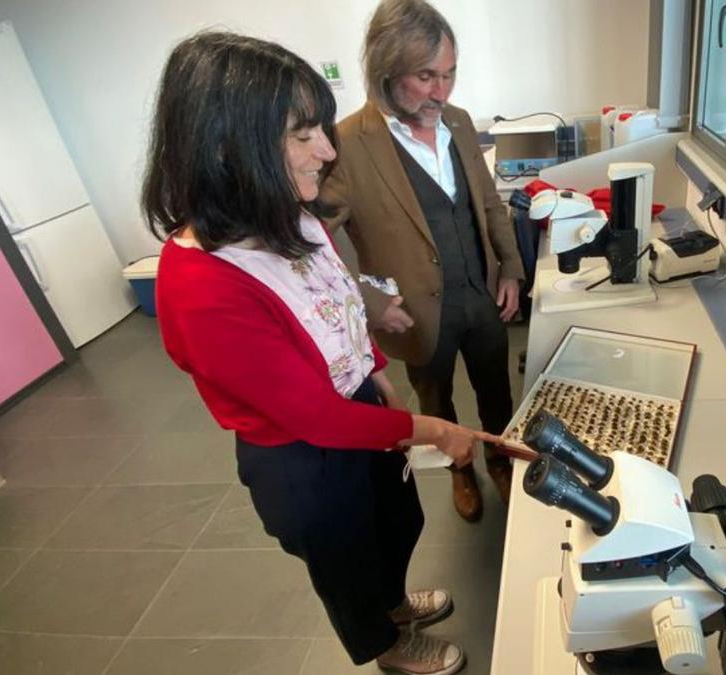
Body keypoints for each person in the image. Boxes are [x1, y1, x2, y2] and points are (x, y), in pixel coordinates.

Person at [143, 31, 482, 675]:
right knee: (345, 556)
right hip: (305, 455)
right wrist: (432, 427)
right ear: (225, 147)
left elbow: (339, 302)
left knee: (393, 521)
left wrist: (376, 371)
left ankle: (393, 600)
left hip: (356, 409)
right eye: (304, 135)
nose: (326, 152)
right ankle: (384, 644)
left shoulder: (289, 214)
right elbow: (311, 417)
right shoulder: (201, 281)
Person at [321, 0, 523, 522]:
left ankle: (501, 460)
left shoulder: (456, 120)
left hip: (481, 293)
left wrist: (512, 268)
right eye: (426, 76)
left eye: (450, 74)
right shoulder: (345, 144)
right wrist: (367, 302)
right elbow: (311, 243)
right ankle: (460, 471)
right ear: (386, 72)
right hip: (413, 312)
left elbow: (490, 202)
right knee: (435, 401)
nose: (442, 91)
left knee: (496, 389)